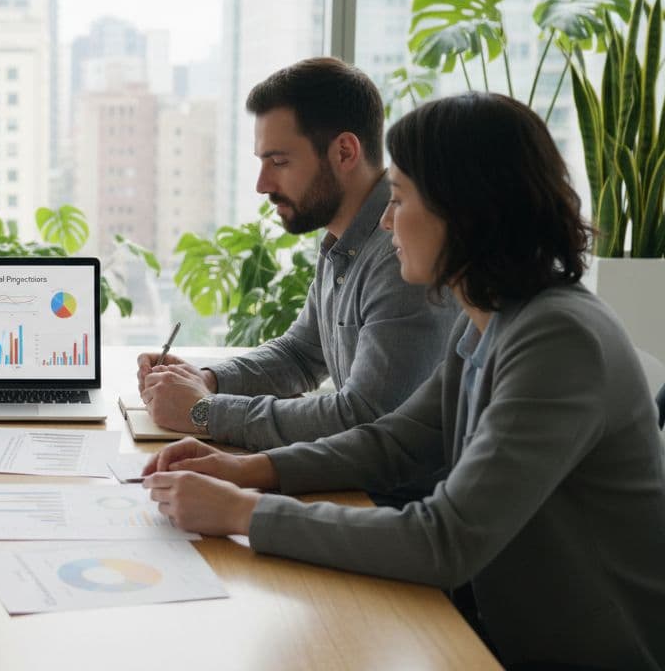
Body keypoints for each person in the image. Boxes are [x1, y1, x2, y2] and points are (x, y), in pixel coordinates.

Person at [141, 92, 665, 668]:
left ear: (467, 212)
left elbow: (445, 540)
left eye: (400, 198)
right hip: (497, 628)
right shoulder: (494, 320)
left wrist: (242, 511)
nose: (387, 219)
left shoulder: (558, 340)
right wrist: (247, 470)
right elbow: (395, 441)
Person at [138, 57, 457, 451]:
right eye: (261, 162)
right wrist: (206, 380)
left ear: (343, 152)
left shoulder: (401, 254)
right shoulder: (343, 240)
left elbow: (365, 417)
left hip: (390, 501)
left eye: (279, 161)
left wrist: (205, 411)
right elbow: (301, 354)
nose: (262, 184)